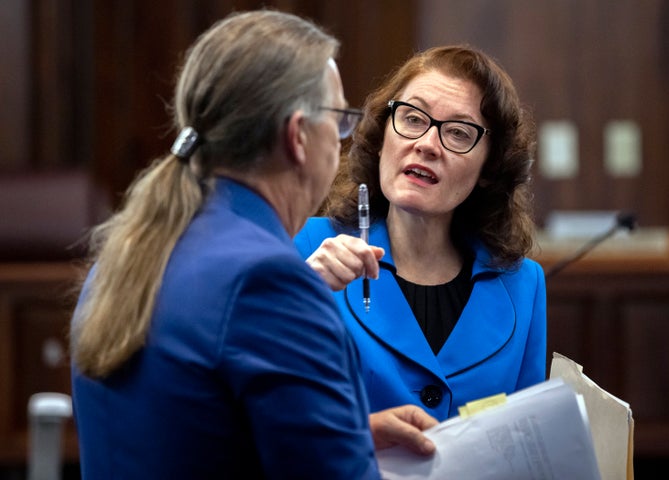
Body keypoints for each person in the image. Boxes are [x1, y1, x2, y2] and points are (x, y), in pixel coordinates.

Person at [69, 10, 437, 479]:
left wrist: (347, 435)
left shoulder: (130, 251)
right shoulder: (269, 280)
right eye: (340, 120)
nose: (342, 142)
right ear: (298, 136)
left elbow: (186, 433)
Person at [294, 44, 547, 421]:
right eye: (412, 119)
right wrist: (296, 295)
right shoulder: (304, 247)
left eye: (459, 133)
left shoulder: (523, 285)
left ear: (489, 169)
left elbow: (527, 442)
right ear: (382, 138)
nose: (426, 144)